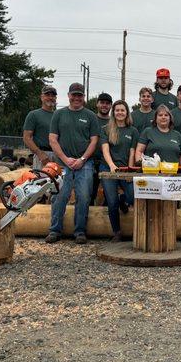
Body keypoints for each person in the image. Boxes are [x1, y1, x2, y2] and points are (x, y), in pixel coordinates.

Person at [46, 83, 100, 244]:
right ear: (68, 96)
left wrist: (82, 159)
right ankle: (55, 230)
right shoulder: (59, 114)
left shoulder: (90, 116)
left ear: (83, 97)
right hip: (63, 164)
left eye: (79, 95)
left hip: (85, 163)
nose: (76, 98)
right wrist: (65, 159)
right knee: (60, 196)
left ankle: (80, 231)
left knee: (83, 197)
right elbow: (53, 139)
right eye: (74, 95)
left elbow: (94, 140)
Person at [100, 100, 139, 242]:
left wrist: (128, 171)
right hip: (108, 168)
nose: (120, 113)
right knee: (112, 202)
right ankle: (117, 232)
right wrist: (111, 165)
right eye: (117, 110)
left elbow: (132, 152)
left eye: (123, 110)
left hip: (125, 168)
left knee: (132, 196)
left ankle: (124, 200)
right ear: (113, 112)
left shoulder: (132, 130)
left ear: (127, 112)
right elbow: (105, 149)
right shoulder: (106, 129)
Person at [23, 85, 57, 169]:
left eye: (53, 95)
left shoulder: (58, 115)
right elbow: (26, 137)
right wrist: (40, 153)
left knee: (58, 181)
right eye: (47, 95)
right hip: (42, 155)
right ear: (42, 97)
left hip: (58, 155)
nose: (50, 97)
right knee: (42, 181)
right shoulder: (34, 115)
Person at [91, 92, 112, 205]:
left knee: (109, 194)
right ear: (97, 104)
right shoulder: (91, 118)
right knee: (90, 193)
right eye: (102, 103)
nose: (104, 105)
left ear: (110, 106)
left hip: (107, 162)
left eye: (107, 103)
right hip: (91, 160)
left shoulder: (113, 122)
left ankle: (105, 220)